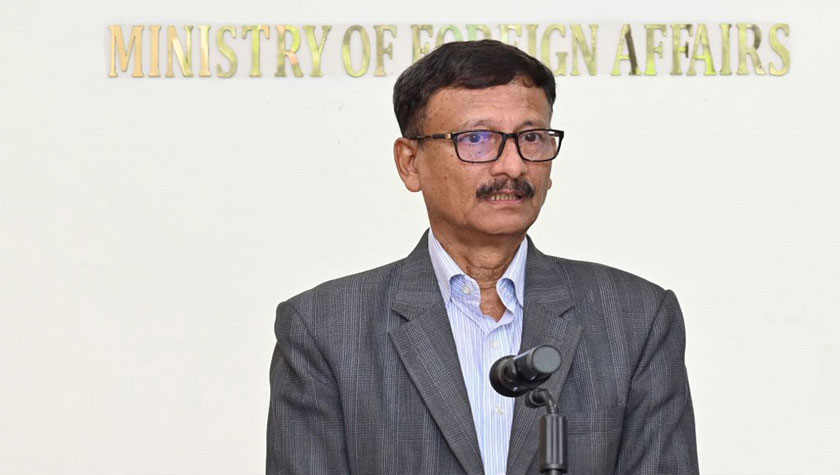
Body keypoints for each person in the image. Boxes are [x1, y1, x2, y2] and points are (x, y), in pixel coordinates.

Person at [267, 39, 699, 475]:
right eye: (477, 139)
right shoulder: (325, 328)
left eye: (531, 138)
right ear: (410, 163)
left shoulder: (635, 317)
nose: (512, 166)